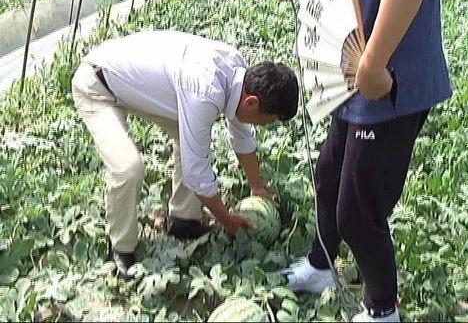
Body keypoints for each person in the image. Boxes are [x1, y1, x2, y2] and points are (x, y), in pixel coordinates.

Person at [267, 0, 452, 322]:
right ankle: (322, 265)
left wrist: (372, 65)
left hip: (386, 76)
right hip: (365, 67)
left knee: (357, 212)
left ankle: (382, 310)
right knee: (329, 176)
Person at [71, 30, 299, 278]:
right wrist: (228, 220)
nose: (264, 126)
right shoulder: (205, 91)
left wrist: (257, 187)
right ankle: (122, 248)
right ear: (252, 102)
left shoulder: (239, 75)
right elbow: (196, 173)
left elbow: (242, 134)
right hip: (98, 85)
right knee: (128, 168)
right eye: (268, 121)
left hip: (133, 83)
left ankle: (183, 220)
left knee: (190, 138)